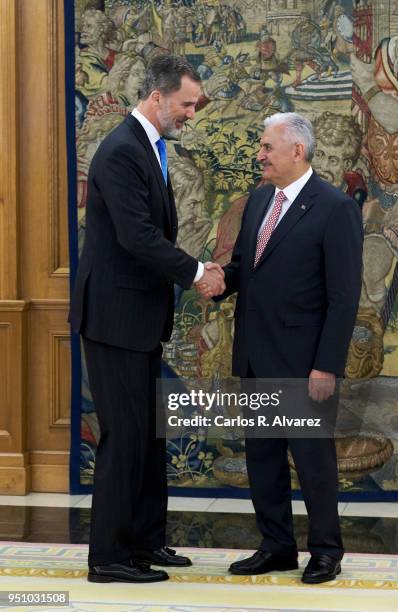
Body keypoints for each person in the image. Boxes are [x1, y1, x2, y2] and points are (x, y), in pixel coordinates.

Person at [69, 55, 225, 584]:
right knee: (125, 436)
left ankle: (145, 542)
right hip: (114, 319)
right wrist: (197, 272)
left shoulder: (148, 147)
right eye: (185, 104)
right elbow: (137, 237)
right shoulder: (119, 151)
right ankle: (109, 558)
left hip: (138, 319)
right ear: (157, 98)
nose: (190, 113)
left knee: (150, 437)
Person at [198, 112, 363, 583]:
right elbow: (247, 269)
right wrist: (218, 281)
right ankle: (276, 546)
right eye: (260, 147)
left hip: (304, 364)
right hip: (255, 355)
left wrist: (326, 365)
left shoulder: (334, 208)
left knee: (313, 463)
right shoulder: (256, 202)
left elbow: (343, 297)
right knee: (263, 460)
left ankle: (326, 551)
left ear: (297, 151)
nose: (260, 155)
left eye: (268, 147)